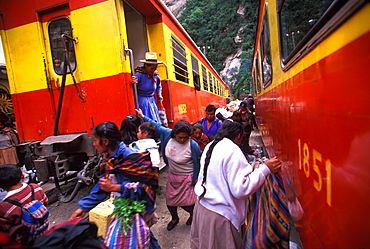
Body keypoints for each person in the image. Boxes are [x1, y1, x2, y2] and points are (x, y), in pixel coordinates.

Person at [190, 119, 282, 249]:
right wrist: (265, 169)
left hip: (203, 209)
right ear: (239, 135)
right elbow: (241, 189)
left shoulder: (212, 145)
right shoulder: (232, 150)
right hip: (221, 217)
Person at [69, 121, 159, 248]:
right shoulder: (110, 160)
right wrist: (83, 207)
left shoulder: (130, 158)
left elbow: (144, 188)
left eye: (95, 140)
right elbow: (102, 186)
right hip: (122, 209)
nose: (94, 144)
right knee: (142, 238)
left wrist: (115, 187)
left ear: (105, 142)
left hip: (134, 211)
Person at [136, 108, 202, 231]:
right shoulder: (167, 134)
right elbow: (156, 125)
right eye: (179, 137)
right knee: (170, 201)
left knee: (187, 203)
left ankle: (193, 214)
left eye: (185, 138)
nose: (182, 140)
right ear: (174, 134)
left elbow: (199, 161)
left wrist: (197, 178)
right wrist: (142, 116)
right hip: (173, 176)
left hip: (188, 177)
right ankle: (174, 219)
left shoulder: (193, 145)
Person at [0, 164, 48, 243]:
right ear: (22, 176)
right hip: (42, 231)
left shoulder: (4, 207)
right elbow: (45, 202)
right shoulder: (36, 188)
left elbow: (5, 227)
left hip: (23, 241)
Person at [132, 52, 163, 123]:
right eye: (152, 68)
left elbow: (158, 86)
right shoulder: (139, 76)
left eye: (155, 67)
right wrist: (133, 82)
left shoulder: (156, 76)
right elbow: (133, 87)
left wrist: (159, 94)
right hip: (142, 100)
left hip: (152, 100)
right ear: (146, 65)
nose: (153, 70)